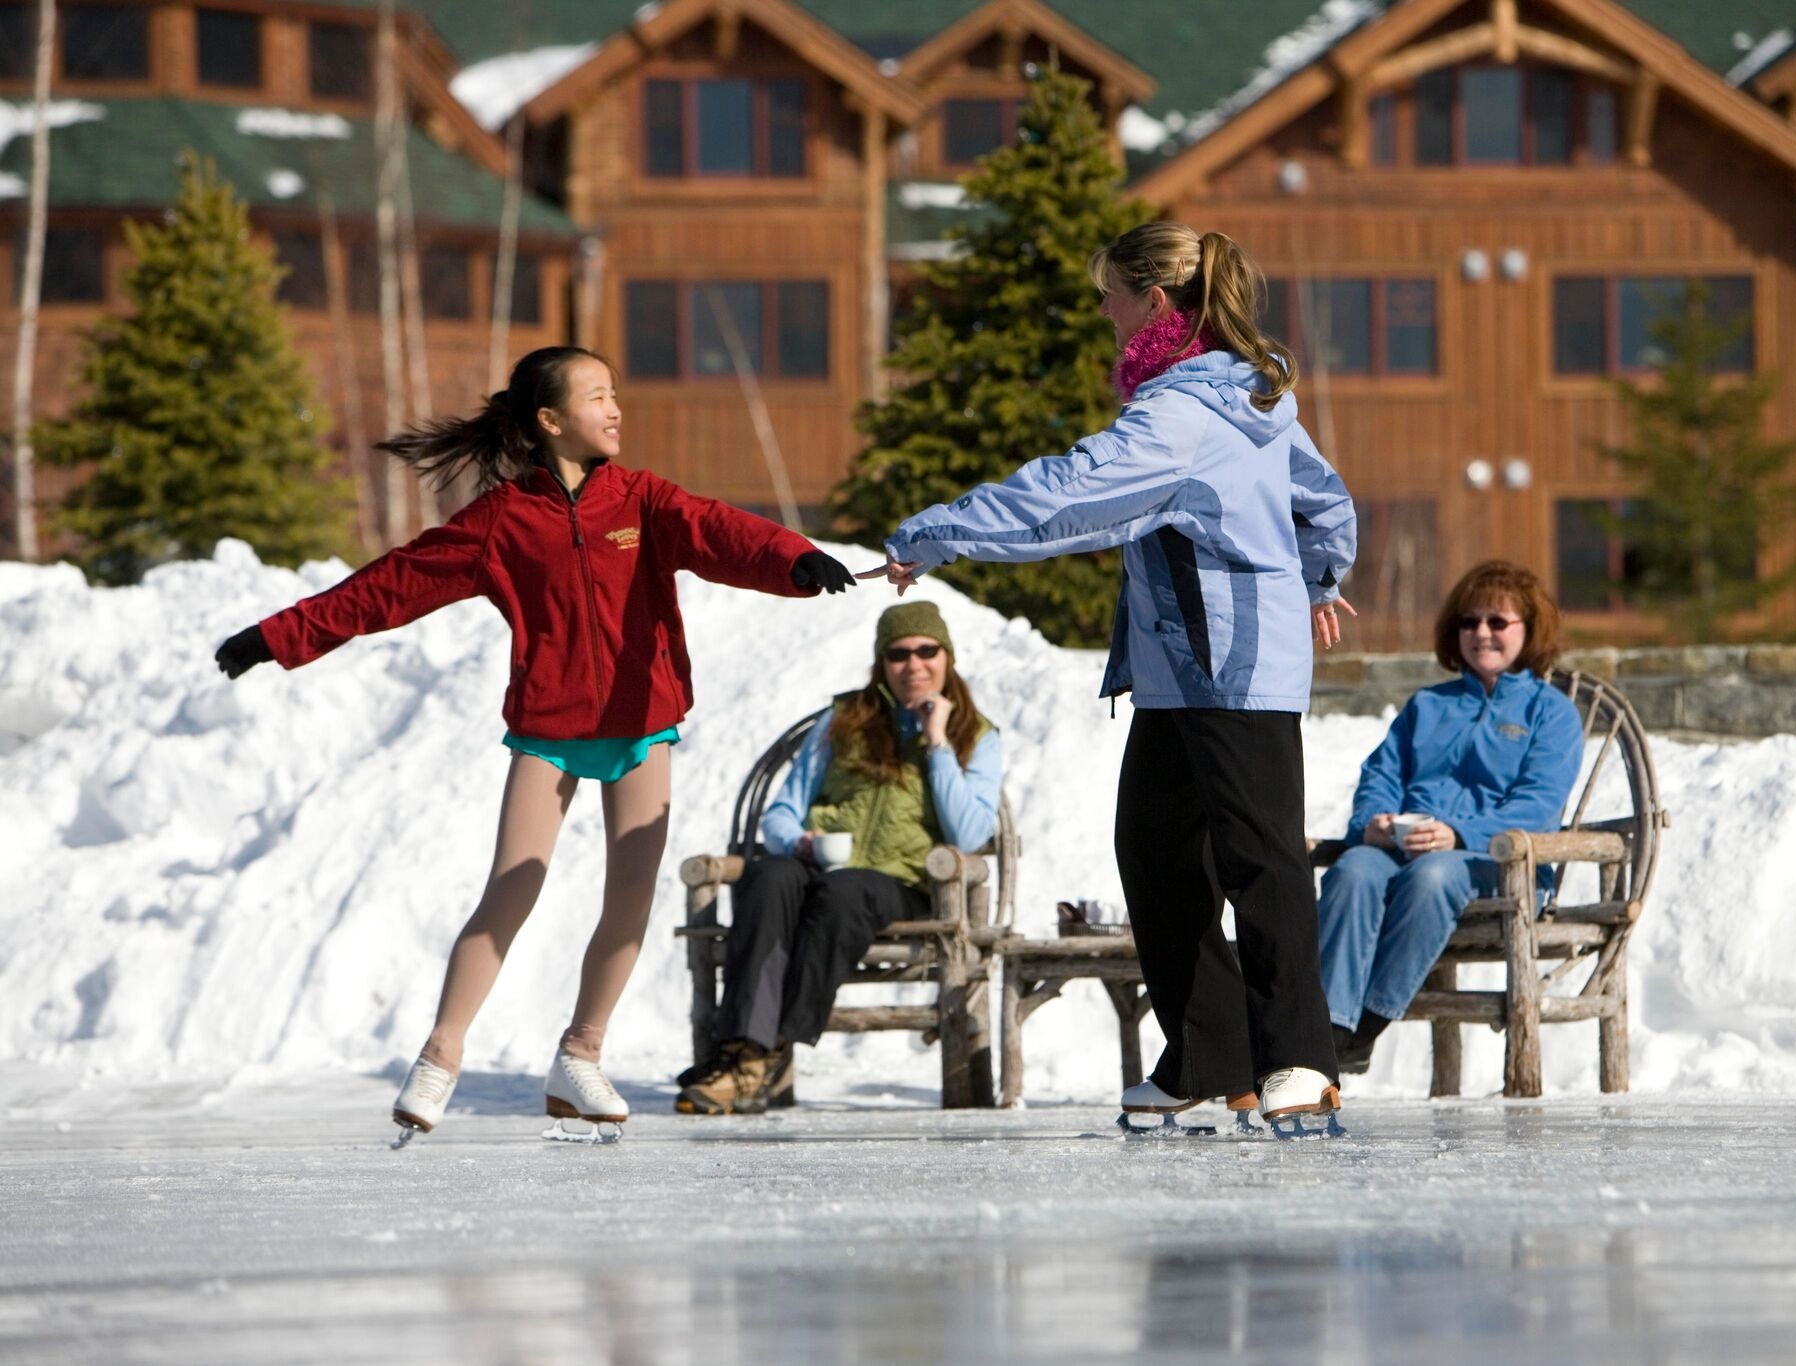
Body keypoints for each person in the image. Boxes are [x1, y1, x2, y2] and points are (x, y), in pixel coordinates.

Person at [211, 345, 855, 1141]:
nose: (616, 408)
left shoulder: (644, 502)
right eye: (597, 397)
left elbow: (722, 531)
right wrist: (276, 637)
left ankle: (581, 1054)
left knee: (629, 895)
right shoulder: (502, 522)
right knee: (513, 885)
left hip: (640, 723)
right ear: (551, 421)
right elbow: (393, 585)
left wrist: (795, 560)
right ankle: (441, 1056)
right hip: (549, 728)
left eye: (616, 393)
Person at [866, 223, 1359, 1131]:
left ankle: (1300, 1059)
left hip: (1234, 662)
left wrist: (937, 531)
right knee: (1157, 856)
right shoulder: (1238, 400)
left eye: (1110, 294)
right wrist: (1319, 573)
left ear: (1156, 305)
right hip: (1180, 666)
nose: (1102, 310)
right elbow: (1324, 501)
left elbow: (1072, 493)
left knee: (1261, 861)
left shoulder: (1187, 413)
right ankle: (1213, 1056)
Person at [677, 601, 1002, 1115]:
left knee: (844, 889)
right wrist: (799, 844)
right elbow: (783, 813)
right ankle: (743, 1050)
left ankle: (766, 1050)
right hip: (820, 870)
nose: (913, 664)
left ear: (947, 656)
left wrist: (938, 743)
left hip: (901, 885)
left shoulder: (975, 736)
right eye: (898, 654)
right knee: (769, 875)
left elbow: (968, 832)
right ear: (881, 662)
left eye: (926, 650)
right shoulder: (843, 720)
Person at [1317, 560, 1584, 1074]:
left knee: (1434, 873)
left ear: (1529, 631)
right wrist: (1373, 822)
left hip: (1500, 867)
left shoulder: (1549, 713)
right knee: (1354, 869)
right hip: (1406, 849)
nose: (1481, 633)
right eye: (1469, 622)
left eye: (1497, 622)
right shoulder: (1428, 706)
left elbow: (1539, 806)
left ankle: (1365, 1026)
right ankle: (1329, 1025)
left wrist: (1459, 833)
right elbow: (1382, 774)